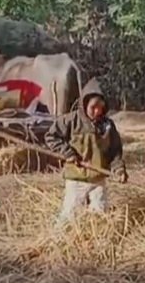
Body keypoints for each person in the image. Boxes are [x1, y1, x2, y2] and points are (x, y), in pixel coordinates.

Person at [44, 78, 129, 227]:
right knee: (70, 216)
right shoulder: (70, 121)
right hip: (77, 178)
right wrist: (67, 153)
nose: (97, 111)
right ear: (84, 105)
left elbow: (115, 151)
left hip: (98, 179)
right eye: (93, 107)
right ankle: (59, 237)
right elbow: (51, 137)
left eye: (100, 107)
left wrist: (119, 169)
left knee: (100, 215)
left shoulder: (107, 126)